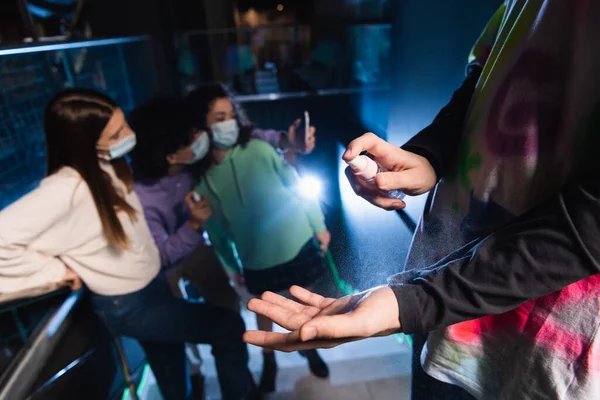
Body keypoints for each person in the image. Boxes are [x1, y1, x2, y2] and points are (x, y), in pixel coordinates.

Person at [243, 1, 600, 399]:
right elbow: (487, 75)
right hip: (440, 302)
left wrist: (412, 301)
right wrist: (429, 154)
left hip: (542, 347)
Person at [0, 88, 259, 400]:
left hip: (151, 289)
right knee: (227, 327)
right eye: (117, 133)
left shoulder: (104, 165)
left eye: (124, 125)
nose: (129, 134)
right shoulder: (66, 187)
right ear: (85, 141)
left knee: (172, 375)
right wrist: (55, 272)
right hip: (130, 304)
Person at [128, 96, 319, 396]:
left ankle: (244, 383)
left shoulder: (198, 164)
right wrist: (196, 229)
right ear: (171, 155)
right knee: (180, 338)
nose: (199, 138)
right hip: (161, 267)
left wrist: (286, 140)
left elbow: (252, 137)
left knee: (230, 322)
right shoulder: (147, 194)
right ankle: (197, 377)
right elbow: (168, 253)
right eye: (191, 136)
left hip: (204, 249)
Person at [188, 83, 332, 393]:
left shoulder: (258, 148)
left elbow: (296, 185)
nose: (227, 122)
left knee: (302, 304)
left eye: (230, 114)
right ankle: (269, 359)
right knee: (263, 313)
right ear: (200, 125)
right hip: (254, 257)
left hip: (297, 243)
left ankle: (311, 347)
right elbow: (217, 233)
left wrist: (319, 225)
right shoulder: (202, 180)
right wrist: (231, 268)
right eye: (217, 117)